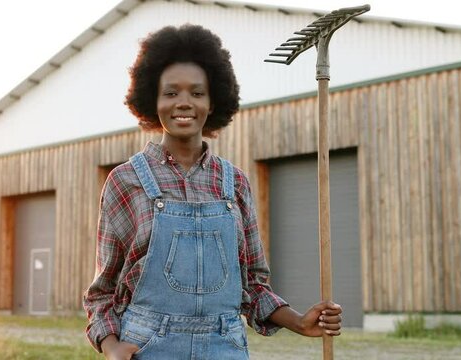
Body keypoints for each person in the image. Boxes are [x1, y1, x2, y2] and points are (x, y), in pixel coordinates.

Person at [83, 24, 342, 360]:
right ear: (152, 99)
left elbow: (253, 285)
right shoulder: (125, 180)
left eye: (197, 92)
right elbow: (101, 292)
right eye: (171, 92)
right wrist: (111, 347)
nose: (184, 103)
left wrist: (300, 322)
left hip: (225, 346)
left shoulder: (234, 182)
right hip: (147, 348)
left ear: (213, 100)